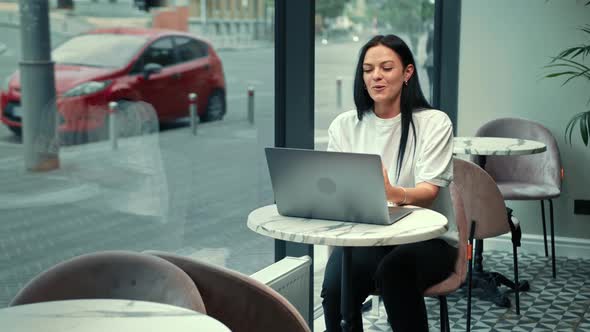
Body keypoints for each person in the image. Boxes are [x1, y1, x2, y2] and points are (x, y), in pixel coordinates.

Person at [321, 34, 457, 332]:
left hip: (430, 240)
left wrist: (393, 193)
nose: (376, 76)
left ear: (408, 72)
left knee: (394, 272)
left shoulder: (434, 123)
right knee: (335, 290)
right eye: (368, 70)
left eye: (386, 67)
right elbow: (337, 190)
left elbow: (429, 193)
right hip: (370, 237)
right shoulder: (345, 126)